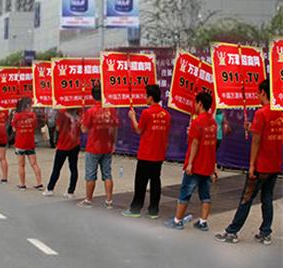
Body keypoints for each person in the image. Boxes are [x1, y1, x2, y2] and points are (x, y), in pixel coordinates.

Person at [215, 80, 283, 245]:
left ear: (263, 92)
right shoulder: (280, 112)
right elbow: (264, 133)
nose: (256, 96)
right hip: (274, 165)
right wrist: (252, 128)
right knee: (267, 198)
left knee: (246, 198)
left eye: (258, 93)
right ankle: (265, 233)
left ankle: (232, 232)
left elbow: (257, 142)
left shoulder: (261, 113)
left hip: (261, 165)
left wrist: (252, 165)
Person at [165, 92, 218, 231]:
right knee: (205, 195)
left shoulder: (198, 121)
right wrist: (214, 167)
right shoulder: (213, 122)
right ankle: (203, 222)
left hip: (196, 166)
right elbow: (212, 145)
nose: (194, 105)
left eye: (195, 102)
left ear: (200, 103)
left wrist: (190, 163)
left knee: (185, 193)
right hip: (207, 166)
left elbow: (195, 143)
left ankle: (177, 221)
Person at [122, 85, 171, 219]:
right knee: (156, 182)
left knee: (141, 183)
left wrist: (132, 117)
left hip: (146, 154)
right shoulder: (166, 115)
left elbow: (138, 130)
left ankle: (135, 209)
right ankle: (153, 211)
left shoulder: (146, 113)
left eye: (146, 96)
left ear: (150, 97)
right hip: (159, 155)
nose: (145, 98)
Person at [78, 85, 118, 208]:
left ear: (93, 96)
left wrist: (81, 121)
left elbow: (84, 129)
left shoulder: (90, 111)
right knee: (107, 174)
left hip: (93, 147)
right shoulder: (111, 110)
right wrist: (113, 143)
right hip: (107, 146)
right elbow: (115, 128)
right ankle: (109, 201)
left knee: (90, 174)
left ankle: (88, 200)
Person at [43, 108, 81, 198]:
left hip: (63, 144)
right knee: (73, 168)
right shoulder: (79, 112)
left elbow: (58, 127)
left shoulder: (62, 113)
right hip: (75, 143)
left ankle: (50, 188)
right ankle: (71, 191)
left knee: (57, 168)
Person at [12, 97, 43, 190]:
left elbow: (13, 129)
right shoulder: (33, 115)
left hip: (20, 143)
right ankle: (39, 183)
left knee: (21, 165)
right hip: (30, 142)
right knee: (34, 163)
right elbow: (35, 126)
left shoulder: (17, 115)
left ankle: (22, 184)